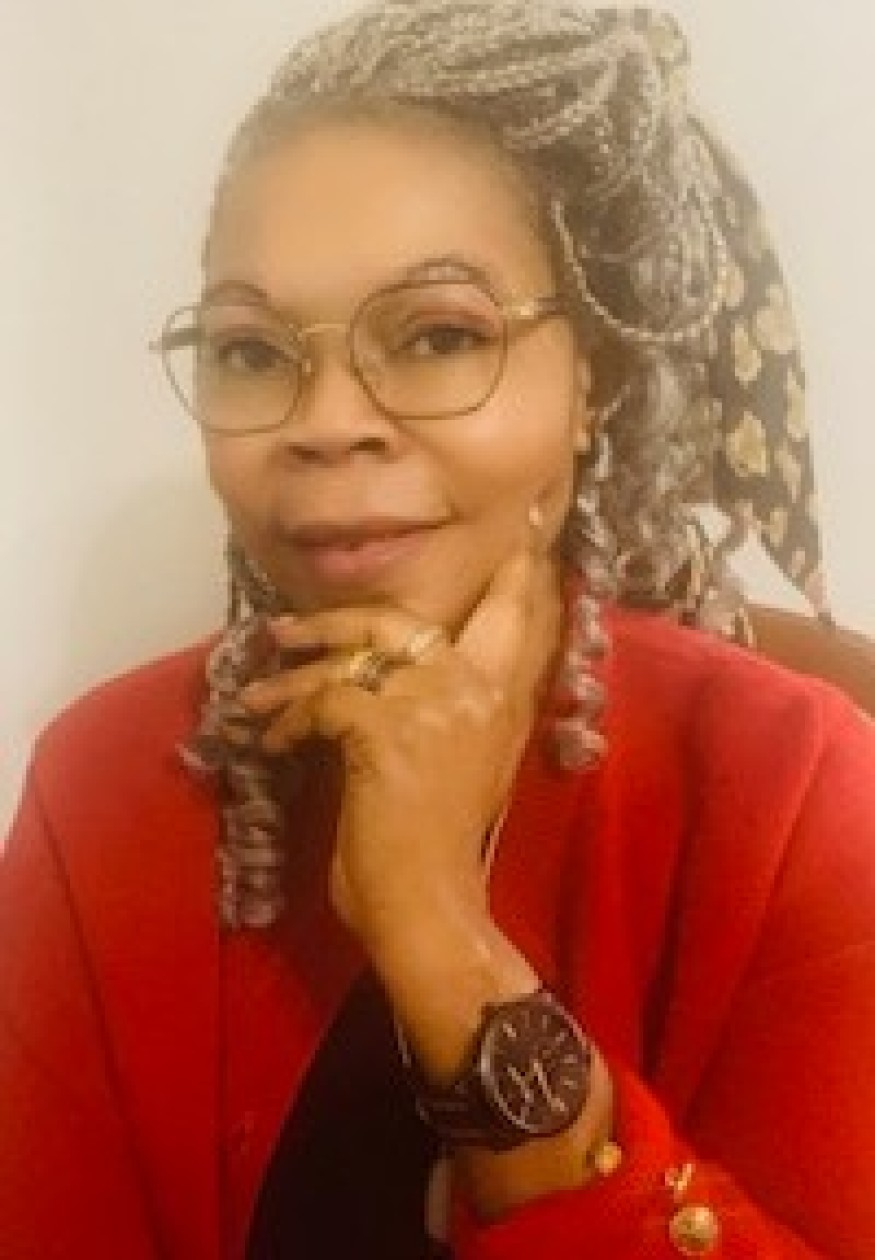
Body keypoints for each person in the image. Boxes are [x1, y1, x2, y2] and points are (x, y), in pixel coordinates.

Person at [2, 3, 873, 1257]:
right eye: (250, 351)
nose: (324, 422)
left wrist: (441, 940)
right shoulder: (109, 783)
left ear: (592, 379)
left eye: (438, 335)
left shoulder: (789, 784)